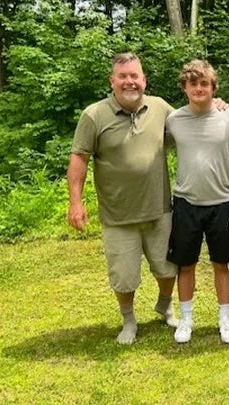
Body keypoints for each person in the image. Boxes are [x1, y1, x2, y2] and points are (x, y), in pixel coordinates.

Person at [67, 52, 178, 345]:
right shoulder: (94, 115)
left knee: (167, 267)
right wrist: (76, 203)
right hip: (118, 216)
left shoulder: (160, 108)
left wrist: (216, 106)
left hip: (159, 209)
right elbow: (79, 158)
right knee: (124, 277)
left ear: (144, 80)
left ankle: (165, 304)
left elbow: (193, 125)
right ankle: (129, 320)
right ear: (112, 81)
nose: (130, 82)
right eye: (123, 76)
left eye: (135, 76)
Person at [166, 59, 229, 344]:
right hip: (186, 202)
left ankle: (225, 318)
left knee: (221, 264)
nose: (199, 88)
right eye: (193, 83)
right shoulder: (173, 120)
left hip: (222, 201)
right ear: (185, 87)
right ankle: (186, 319)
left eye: (205, 84)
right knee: (185, 265)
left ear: (213, 88)